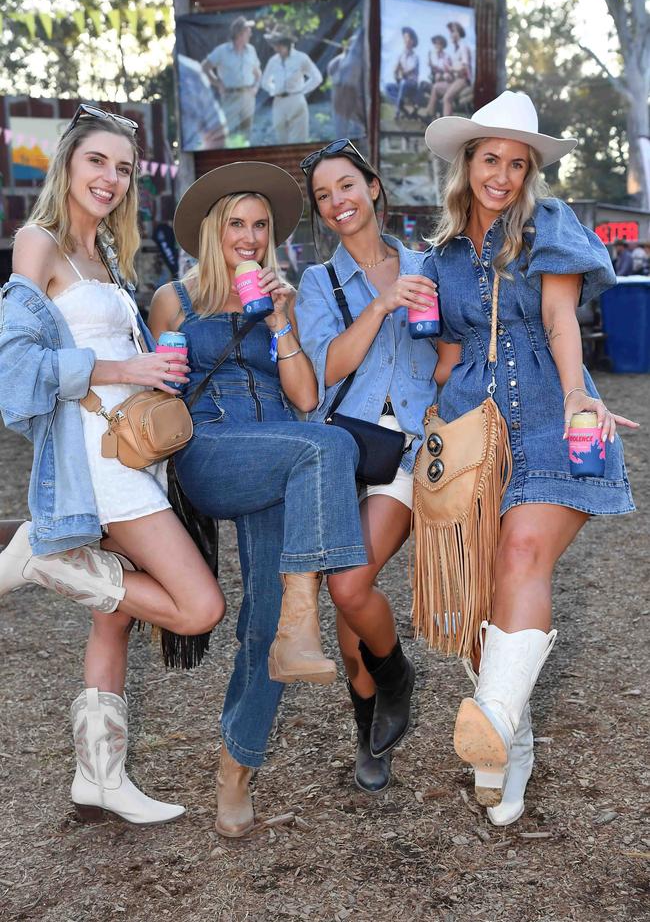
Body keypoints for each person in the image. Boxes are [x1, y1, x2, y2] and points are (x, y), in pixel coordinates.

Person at [0, 104, 225, 825]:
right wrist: (126, 363)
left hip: (130, 458)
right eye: (97, 161)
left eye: (124, 168)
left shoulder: (105, 259)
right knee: (199, 607)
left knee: (116, 617)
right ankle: (44, 558)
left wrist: (155, 368)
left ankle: (99, 777)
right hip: (96, 465)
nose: (111, 178)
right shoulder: (38, 243)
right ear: (67, 163)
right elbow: (16, 368)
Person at [423, 90, 637, 826]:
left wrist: (581, 396)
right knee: (483, 601)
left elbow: (558, 319)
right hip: (473, 436)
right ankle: (509, 741)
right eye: (492, 159)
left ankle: (492, 726)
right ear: (467, 162)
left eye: (518, 163)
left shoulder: (550, 226)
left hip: (550, 421)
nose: (504, 175)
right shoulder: (441, 257)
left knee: (522, 555)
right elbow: (446, 357)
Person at [148, 160, 368, 837]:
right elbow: (158, 402)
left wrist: (280, 319)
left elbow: (304, 397)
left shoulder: (285, 293)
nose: (249, 236)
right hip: (212, 452)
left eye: (260, 226)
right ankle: (307, 620)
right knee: (329, 444)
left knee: (265, 621)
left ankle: (235, 767)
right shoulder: (172, 299)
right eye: (237, 224)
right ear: (215, 231)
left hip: (281, 454)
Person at [294, 139, 439, 795]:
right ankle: (369, 730)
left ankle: (399, 677)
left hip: (409, 450)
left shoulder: (430, 265)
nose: (338, 202)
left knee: (351, 587)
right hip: (340, 449)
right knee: (345, 613)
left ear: (373, 188)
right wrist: (380, 305)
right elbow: (323, 370)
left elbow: (456, 353)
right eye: (324, 196)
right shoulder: (318, 282)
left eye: (346, 186)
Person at [201, 16, 261, 144]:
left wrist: (255, 87)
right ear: (239, 33)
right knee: (229, 134)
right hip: (230, 97)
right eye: (247, 31)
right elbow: (205, 67)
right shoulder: (222, 51)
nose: (250, 33)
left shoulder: (251, 50)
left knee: (247, 134)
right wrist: (217, 83)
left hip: (248, 97)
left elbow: (257, 73)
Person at [260, 28, 323, 144]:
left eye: (279, 46)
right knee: (281, 140)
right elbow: (264, 81)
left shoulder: (301, 58)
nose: (276, 49)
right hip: (278, 101)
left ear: (287, 45)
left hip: (296, 99)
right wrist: (273, 90)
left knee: (299, 140)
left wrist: (302, 91)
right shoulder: (273, 61)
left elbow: (317, 77)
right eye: (275, 46)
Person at [431, 21, 472, 117]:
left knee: (447, 99)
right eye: (450, 32)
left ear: (459, 33)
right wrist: (448, 74)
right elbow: (453, 70)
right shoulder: (455, 50)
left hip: (463, 80)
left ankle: (447, 127)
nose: (451, 35)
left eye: (453, 32)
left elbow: (464, 67)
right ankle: (430, 117)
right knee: (436, 87)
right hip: (455, 80)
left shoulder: (463, 47)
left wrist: (451, 69)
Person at [385, 27, 420, 121]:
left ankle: (398, 112)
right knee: (387, 87)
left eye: (407, 38)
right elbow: (397, 72)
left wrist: (400, 71)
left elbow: (408, 71)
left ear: (412, 41)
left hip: (411, 85)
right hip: (402, 83)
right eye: (404, 38)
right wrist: (395, 72)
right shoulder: (401, 55)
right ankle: (403, 107)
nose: (405, 40)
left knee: (404, 82)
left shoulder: (415, 56)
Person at [425, 34, 452, 118]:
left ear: (443, 45)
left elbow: (449, 72)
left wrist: (441, 74)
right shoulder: (433, 55)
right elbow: (431, 69)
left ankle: (430, 114)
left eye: (440, 43)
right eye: (436, 43)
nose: (437, 45)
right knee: (426, 85)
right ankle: (433, 115)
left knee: (435, 88)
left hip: (445, 81)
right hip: (434, 80)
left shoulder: (447, 56)